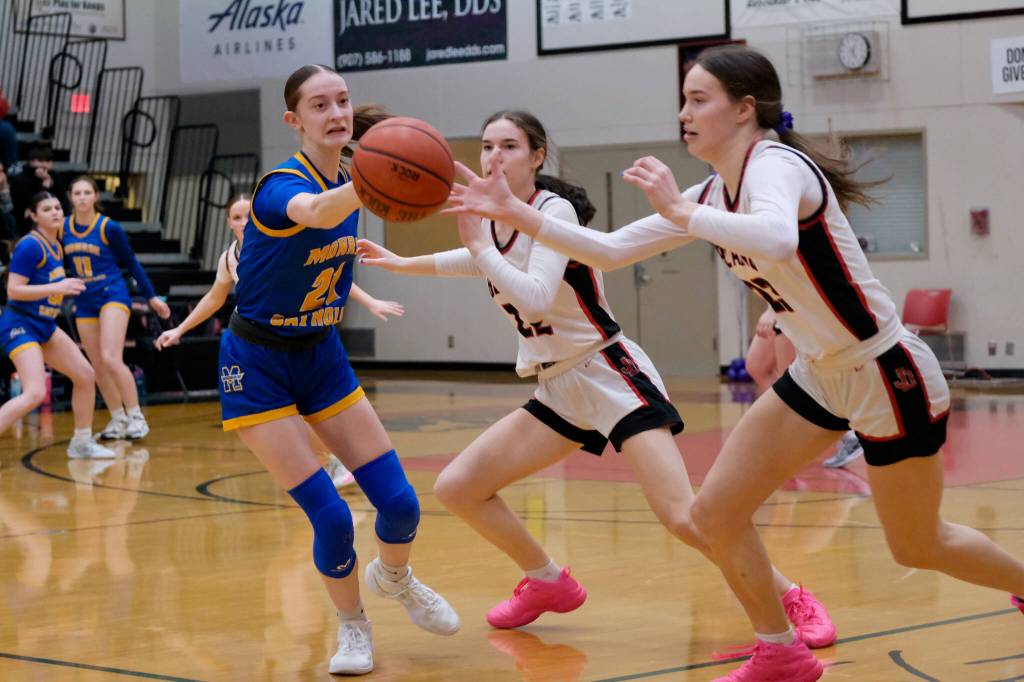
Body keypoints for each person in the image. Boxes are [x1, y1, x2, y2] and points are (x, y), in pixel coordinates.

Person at [445, 45, 1024, 682]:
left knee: (918, 544)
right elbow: (607, 251)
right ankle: (781, 651)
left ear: (745, 109)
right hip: (818, 372)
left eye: (699, 100)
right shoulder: (718, 187)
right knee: (713, 513)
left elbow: (777, 237)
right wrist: (513, 212)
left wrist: (684, 213)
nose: (684, 114)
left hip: (886, 370)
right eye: (684, 100)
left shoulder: (775, 166)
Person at [358, 110, 834, 645]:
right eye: (487, 146)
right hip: (558, 387)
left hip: (608, 373)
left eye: (509, 146)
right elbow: (475, 262)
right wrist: (402, 263)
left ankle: (793, 596)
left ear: (537, 157)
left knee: (684, 516)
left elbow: (534, 291)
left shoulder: (550, 208)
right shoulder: (491, 224)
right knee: (460, 487)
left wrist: (480, 247)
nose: (494, 157)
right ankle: (546, 582)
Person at [218, 63, 458, 675]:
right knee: (331, 516)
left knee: (401, 505)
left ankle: (396, 578)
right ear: (293, 120)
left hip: (321, 355)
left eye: (343, 101)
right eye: (320, 105)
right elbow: (319, 213)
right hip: (258, 362)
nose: (336, 113)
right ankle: (353, 628)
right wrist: (380, 174)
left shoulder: (356, 175)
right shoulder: (280, 187)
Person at [154, 193, 405, 488]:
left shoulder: (280, 247)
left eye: (249, 215)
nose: (244, 222)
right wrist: (179, 330)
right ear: (229, 223)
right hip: (258, 347)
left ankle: (336, 459)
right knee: (288, 417)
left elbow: (330, 276)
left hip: (300, 338)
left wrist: (370, 301)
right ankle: (330, 462)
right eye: (237, 217)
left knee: (308, 413)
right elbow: (214, 298)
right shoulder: (229, 258)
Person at [0, 191, 115, 459]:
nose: (54, 212)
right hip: (20, 324)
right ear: (33, 215)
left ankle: (81, 443)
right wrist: (59, 286)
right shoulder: (30, 245)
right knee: (35, 392)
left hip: (44, 324)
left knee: (86, 376)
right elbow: (14, 291)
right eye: (47, 208)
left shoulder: (57, 245)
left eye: (57, 208)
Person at [60, 175, 171, 440]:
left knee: (111, 358)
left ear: (96, 196)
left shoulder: (109, 227)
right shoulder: (63, 228)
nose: (83, 197)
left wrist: (151, 296)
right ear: (71, 198)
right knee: (97, 364)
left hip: (112, 294)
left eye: (88, 192)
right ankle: (118, 419)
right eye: (78, 193)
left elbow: (131, 263)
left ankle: (136, 417)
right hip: (85, 300)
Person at [746, 306, 862, 468]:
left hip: (789, 307)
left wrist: (772, 311)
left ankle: (850, 437)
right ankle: (797, 432)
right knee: (756, 366)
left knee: (792, 385)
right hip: (779, 304)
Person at [10, 143, 67, 234]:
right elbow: (25, 207)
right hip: (27, 223)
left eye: (48, 161)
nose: (44, 165)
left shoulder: (55, 176)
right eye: (40, 160)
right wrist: (44, 187)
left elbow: (63, 200)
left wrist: (48, 182)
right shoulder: (20, 179)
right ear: (31, 161)